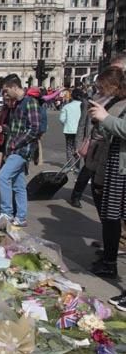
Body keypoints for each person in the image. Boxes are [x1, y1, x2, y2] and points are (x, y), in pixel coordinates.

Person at [84, 66, 126, 283]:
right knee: (109, 218)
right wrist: (99, 120)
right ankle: (109, 261)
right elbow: (106, 133)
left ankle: (111, 262)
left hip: (121, 169)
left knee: (115, 219)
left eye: (103, 86)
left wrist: (106, 118)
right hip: (111, 166)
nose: (101, 90)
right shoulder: (113, 102)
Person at [0, 74, 41, 228]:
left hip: (22, 150)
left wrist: (15, 143)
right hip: (14, 149)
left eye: (7, 90)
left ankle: (6, 213)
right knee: (18, 185)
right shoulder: (16, 104)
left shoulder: (30, 102)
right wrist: (3, 128)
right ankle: (21, 217)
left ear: (14, 87)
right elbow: (15, 127)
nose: (5, 94)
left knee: (3, 176)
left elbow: (35, 129)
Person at [59, 88, 84, 171]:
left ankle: (70, 165)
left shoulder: (67, 106)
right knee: (79, 148)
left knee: (69, 147)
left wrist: (66, 123)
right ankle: (77, 165)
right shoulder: (83, 106)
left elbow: (62, 119)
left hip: (69, 129)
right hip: (80, 130)